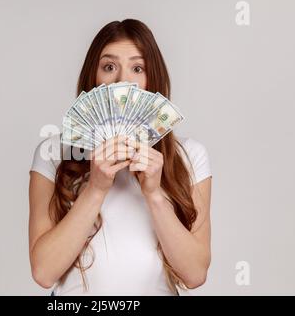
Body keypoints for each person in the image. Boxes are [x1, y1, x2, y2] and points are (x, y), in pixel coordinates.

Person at [28, 19, 212, 296]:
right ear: (93, 77)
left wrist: (153, 194)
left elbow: (195, 274)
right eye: (109, 67)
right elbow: (43, 272)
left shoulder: (189, 156)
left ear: (154, 81)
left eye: (138, 68)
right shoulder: (54, 153)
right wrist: (95, 189)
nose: (123, 81)